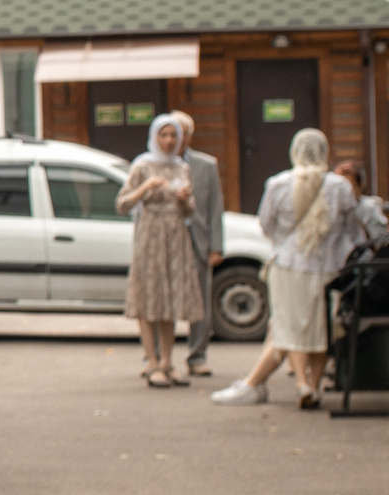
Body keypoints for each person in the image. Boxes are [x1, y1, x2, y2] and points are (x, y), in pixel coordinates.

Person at [211, 127, 359, 409]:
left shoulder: (278, 184)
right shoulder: (339, 187)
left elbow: (266, 224)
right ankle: (313, 386)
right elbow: (351, 230)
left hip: (288, 266)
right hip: (328, 268)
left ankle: (299, 382)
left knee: (288, 327)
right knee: (319, 329)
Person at [118, 113, 207, 387]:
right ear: (155, 137)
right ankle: (152, 362)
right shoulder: (142, 166)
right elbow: (122, 204)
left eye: (173, 136)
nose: (169, 141)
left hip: (175, 235)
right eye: (164, 135)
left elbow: (191, 210)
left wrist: (184, 199)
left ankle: (168, 362)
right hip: (150, 235)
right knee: (149, 298)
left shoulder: (182, 167)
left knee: (170, 299)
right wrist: (145, 188)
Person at [167, 111, 225, 379]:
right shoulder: (154, 165)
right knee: (163, 300)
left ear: (189, 136)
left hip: (198, 242)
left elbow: (215, 208)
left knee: (200, 300)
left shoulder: (206, 165)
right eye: (170, 132)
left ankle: (197, 356)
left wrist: (216, 246)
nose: (175, 138)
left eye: (181, 132)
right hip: (165, 242)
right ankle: (158, 357)